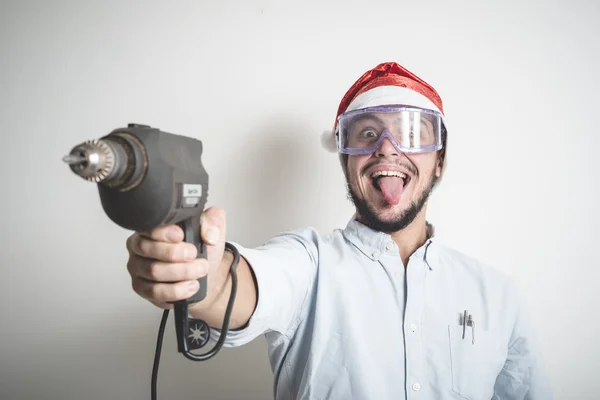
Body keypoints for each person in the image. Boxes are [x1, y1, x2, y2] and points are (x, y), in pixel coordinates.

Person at [125, 62, 553, 399]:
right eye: (367, 133)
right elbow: (234, 285)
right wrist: (199, 273)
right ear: (346, 160)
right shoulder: (308, 263)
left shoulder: (500, 296)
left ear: (439, 160)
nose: (387, 147)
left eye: (410, 133)